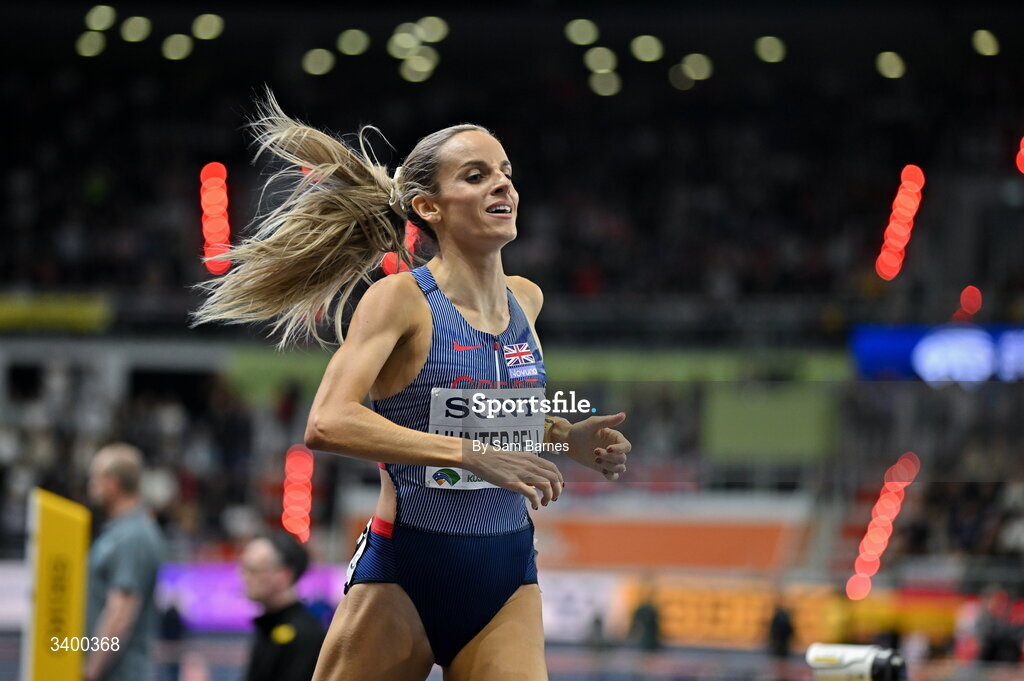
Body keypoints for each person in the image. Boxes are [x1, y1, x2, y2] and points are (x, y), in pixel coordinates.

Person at [192, 91, 632, 680]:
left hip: (507, 573)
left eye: (505, 173)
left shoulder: (528, 301)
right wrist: (470, 456)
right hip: (407, 567)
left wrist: (563, 440)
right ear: (429, 206)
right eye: (476, 176)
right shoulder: (400, 300)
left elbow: (491, 418)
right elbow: (326, 421)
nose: (503, 186)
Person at [84, 442, 167, 681]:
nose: (91, 485)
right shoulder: (119, 532)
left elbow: (120, 613)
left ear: (113, 483)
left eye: (95, 478)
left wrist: (90, 671)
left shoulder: (134, 536)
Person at [240, 533, 327, 681]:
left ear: (283, 574)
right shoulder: (268, 626)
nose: (244, 577)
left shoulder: (306, 635)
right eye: (243, 568)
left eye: (253, 570)